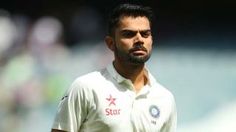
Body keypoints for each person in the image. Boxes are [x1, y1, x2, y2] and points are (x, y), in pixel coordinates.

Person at [51, 3, 177, 132]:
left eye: (145, 34)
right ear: (111, 43)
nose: (139, 39)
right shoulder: (84, 88)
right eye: (129, 34)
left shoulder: (165, 98)